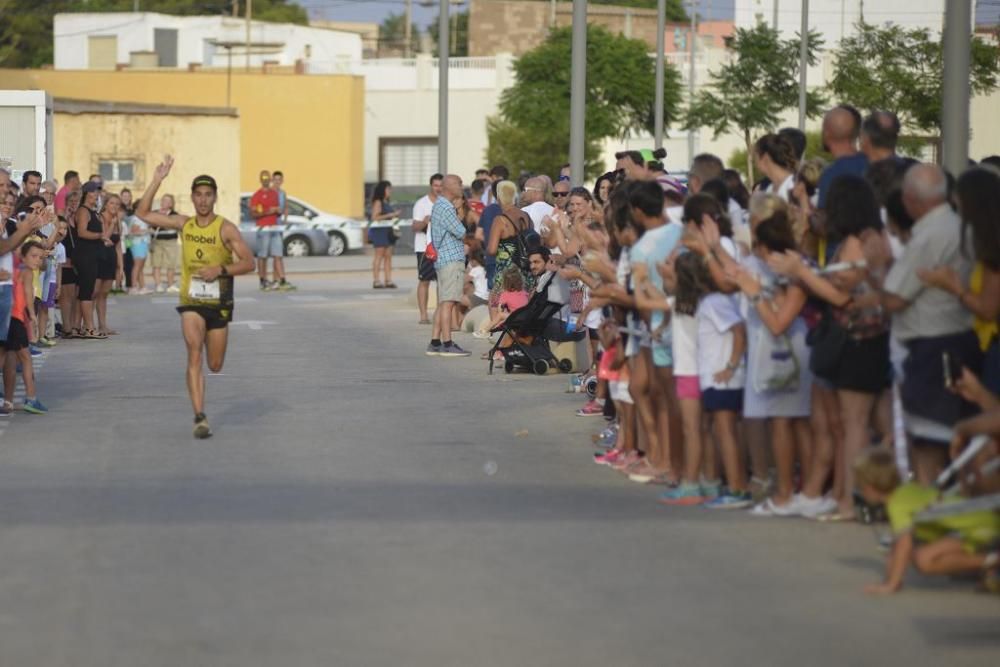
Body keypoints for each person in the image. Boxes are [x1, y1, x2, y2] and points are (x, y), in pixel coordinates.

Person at [135, 156, 255, 438]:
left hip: (219, 302)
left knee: (214, 364)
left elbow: (249, 263)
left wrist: (221, 268)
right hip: (191, 301)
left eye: (208, 195)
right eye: (198, 195)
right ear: (191, 198)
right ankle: (199, 416)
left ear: (215, 198)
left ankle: (201, 404)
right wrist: (157, 179)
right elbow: (143, 214)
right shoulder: (184, 224)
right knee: (193, 353)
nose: (203, 200)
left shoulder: (226, 229)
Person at [880, 164, 981, 484]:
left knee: (928, 442)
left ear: (911, 200)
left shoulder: (929, 235)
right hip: (959, 338)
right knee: (957, 441)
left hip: (932, 346)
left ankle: (929, 519)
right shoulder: (961, 226)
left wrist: (875, 273)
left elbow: (895, 297)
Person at [854, 447, 1000, 595]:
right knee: (925, 553)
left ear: (870, 488)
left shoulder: (896, 505)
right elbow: (896, 546)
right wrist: (889, 579)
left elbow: (904, 544)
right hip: (977, 521)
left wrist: (891, 584)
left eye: (860, 487)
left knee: (923, 560)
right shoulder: (904, 491)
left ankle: (993, 561)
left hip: (976, 528)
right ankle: (988, 563)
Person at [426, 174, 471, 358]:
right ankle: (447, 343)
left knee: (443, 301)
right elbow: (461, 231)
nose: (462, 186)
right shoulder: (446, 207)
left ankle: (435, 342)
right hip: (451, 260)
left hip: (443, 260)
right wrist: (460, 211)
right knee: (449, 303)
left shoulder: (440, 205)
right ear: (449, 186)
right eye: (459, 183)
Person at [4, 241, 49, 414]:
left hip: (8, 316)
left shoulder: (14, 269)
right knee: (25, 358)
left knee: (10, 356)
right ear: (23, 256)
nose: (37, 260)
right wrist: (31, 316)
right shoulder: (26, 271)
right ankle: (31, 398)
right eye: (33, 256)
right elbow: (28, 295)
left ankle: (8, 401)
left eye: (39, 257)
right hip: (16, 317)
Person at [486, 180, 535, 315]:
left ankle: (497, 332)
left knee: (494, 302)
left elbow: (492, 249)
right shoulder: (526, 217)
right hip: (526, 270)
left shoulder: (500, 220)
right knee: (523, 303)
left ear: (499, 197)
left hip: (506, 272)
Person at [72, 181, 107, 338]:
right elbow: (82, 232)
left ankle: (79, 326)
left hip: (92, 255)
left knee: (86, 291)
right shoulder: (83, 211)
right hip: (84, 256)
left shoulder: (92, 211)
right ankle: (90, 328)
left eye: (97, 192)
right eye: (93, 192)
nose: (96, 195)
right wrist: (100, 235)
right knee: (86, 292)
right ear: (87, 194)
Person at [250, 170, 292, 291]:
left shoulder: (275, 194)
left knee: (278, 254)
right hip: (263, 229)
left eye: (267, 179)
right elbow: (254, 213)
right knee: (262, 256)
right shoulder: (256, 195)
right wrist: (268, 211)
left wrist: (280, 212)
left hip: (275, 228)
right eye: (264, 179)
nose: (266, 181)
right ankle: (263, 280)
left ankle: (281, 280)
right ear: (261, 180)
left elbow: (281, 209)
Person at [412, 173, 442, 324]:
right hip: (424, 248)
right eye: (435, 185)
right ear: (431, 186)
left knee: (441, 281)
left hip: (442, 247)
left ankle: (439, 312)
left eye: (440, 186)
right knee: (424, 280)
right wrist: (425, 222)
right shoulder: (421, 203)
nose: (438, 188)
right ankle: (423, 314)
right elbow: (415, 227)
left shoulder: (444, 203)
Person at [94, 193, 124, 336]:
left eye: (117, 204)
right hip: (98, 258)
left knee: (104, 294)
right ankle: (87, 325)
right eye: (112, 203)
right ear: (105, 204)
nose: (115, 206)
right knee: (94, 293)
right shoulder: (100, 218)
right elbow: (104, 237)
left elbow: (118, 246)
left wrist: (121, 268)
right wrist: (111, 224)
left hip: (111, 258)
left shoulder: (117, 220)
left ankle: (102, 325)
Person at [368, 180, 397, 289]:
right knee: (379, 256)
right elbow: (374, 217)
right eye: (388, 189)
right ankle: (376, 280)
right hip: (379, 231)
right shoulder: (378, 202)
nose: (390, 191)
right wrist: (390, 214)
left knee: (388, 256)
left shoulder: (387, 202)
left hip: (388, 231)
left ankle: (388, 279)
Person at [148, 194, 180, 293]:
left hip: (171, 242)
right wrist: (162, 220)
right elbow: (151, 225)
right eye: (163, 200)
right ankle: (158, 285)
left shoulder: (175, 214)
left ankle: (170, 285)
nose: (165, 202)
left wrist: (162, 222)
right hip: (157, 241)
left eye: (167, 201)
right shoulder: (155, 213)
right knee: (156, 263)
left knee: (171, 264)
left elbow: (174, 225)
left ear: (171, 204)